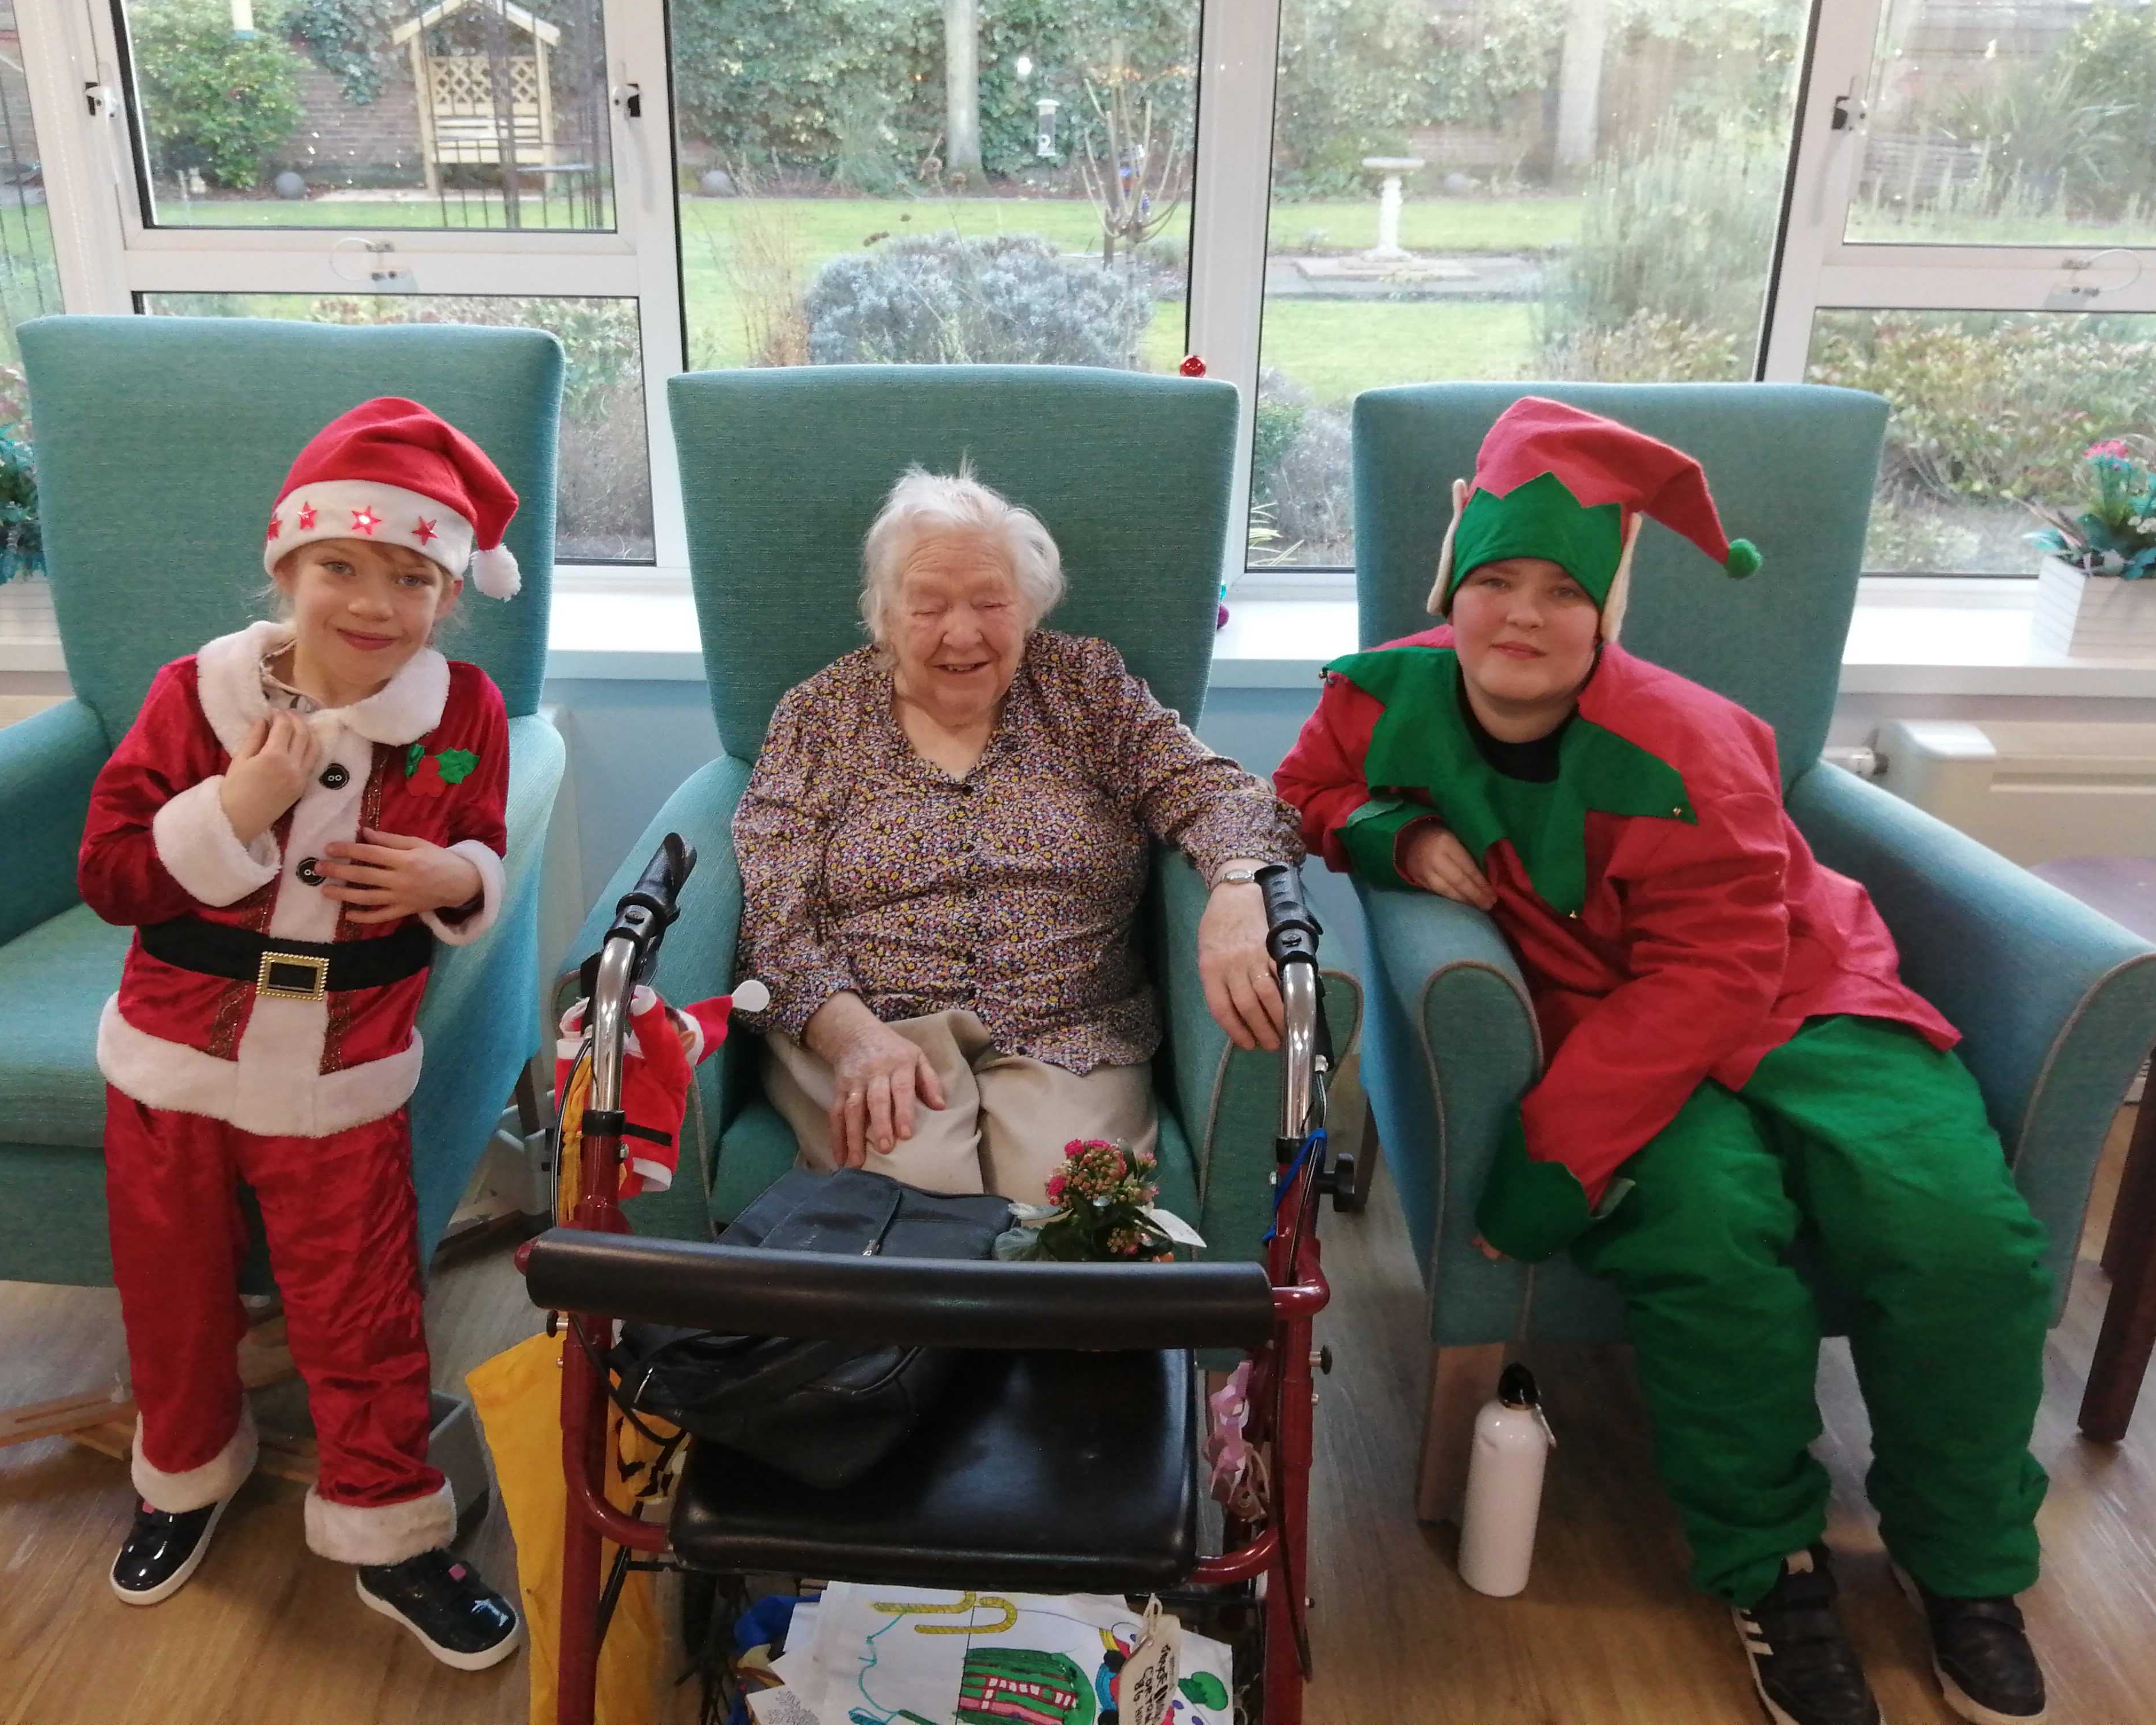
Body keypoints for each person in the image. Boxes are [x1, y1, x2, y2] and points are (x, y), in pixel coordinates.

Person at [1274, 399, 2051, 1725]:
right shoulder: (1374, 694)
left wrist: (1557, 1151)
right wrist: (1389, 833)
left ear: (1607, 614)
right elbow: (1300, 794)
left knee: (1956, 1239)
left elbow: (1716, 971)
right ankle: (1773, 1564)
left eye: (1560, 592)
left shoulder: (1693, 744)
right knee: (1704, 1240)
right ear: (1451, 589)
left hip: (1801, 996)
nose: (1520, 617)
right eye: (1495, 582)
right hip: (1609, 1020)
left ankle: (1965, 1564)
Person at [77, 397, 525, 1669]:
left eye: (410, 576)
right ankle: (181, 1480)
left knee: (363, 1309)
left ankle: (390, 1532)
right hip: (173, 1065)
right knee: (172, 1295)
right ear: (286, 568)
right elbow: (112, 874)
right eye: (340, 566)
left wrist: (456, 883)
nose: (372, 603)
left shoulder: (464, 714)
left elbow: (480, 836)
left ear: (448, 594)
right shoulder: (195, 696)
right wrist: (242, 800)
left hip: (341, 1078)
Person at [734, 465, 1303, 1205]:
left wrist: (1236, 888)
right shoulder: (820, 715)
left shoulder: (1086, 689)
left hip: (1068, 1026)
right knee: (912, 1197)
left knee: (1067, 1206)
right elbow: (773, 912)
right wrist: (851, 1036)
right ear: (882, 613)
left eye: (991, 601)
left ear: (1030, 609)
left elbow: (1220, 791)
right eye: (928, 605)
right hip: (873, 1018)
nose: (962, 633)